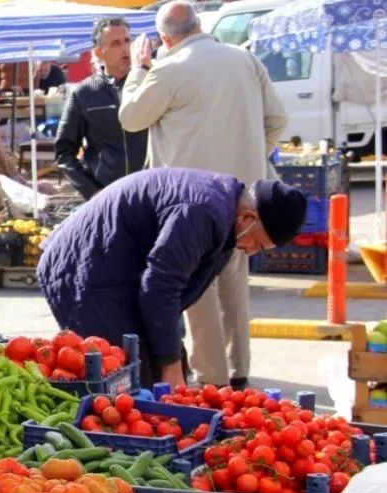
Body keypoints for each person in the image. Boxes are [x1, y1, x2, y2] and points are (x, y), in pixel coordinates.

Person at [118, 0, 288, 388]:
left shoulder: (168, 69)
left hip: (191, 200)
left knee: (198, 288)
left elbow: (131, 118)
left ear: (164, 38)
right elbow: (277, 119)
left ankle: (213, 381)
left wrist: (139, 68)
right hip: (244, 194)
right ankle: (238, 370)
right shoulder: (244, 60)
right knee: (233, 280)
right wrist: (250, 156)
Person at [38, 169, 306, 388]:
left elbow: (173, 294)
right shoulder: (201, 212)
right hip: (81, 269)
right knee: (118, 376)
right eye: (257, 243)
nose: (251, 250)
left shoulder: (226, 221)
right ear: (248, 216)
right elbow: (160, 288)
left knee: (153, 370)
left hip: (119, 267)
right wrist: (170, 365)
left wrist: (171, 359)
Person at [55, 18, 148, 200]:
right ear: (99, 52)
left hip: (151, 189)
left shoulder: (150, 83)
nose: (124, 48)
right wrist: (93, 192)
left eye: (127, 41)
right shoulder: (83, 93)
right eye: (115, 43)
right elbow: (64, 153)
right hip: (108, 194)